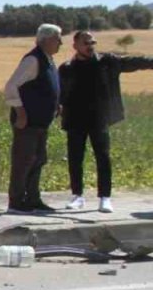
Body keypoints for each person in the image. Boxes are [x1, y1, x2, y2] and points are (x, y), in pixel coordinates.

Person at [59, 30, 153, 213]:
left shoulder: (107, 62)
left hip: (99, 118)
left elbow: (132, 62)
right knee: (75, 158)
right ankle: (77, 195)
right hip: (75, 119)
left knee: (103, 157)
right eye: (86, 42)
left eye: (92, 42)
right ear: (75, 45)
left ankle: (105, 197)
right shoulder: (67, 68)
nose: (90, 46)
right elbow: (59, 93)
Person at [3, 23, 64, 214]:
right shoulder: (33, 60)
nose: (61, 43)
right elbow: (11, 87)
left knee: (38, 160)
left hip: (41, 123)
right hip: (27, 122)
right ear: (45, 39)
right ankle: (17, 201)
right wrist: (20, 112)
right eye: (57, 38)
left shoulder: (48, 60)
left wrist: (56, 105)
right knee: (24, 161)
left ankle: (33, 198)